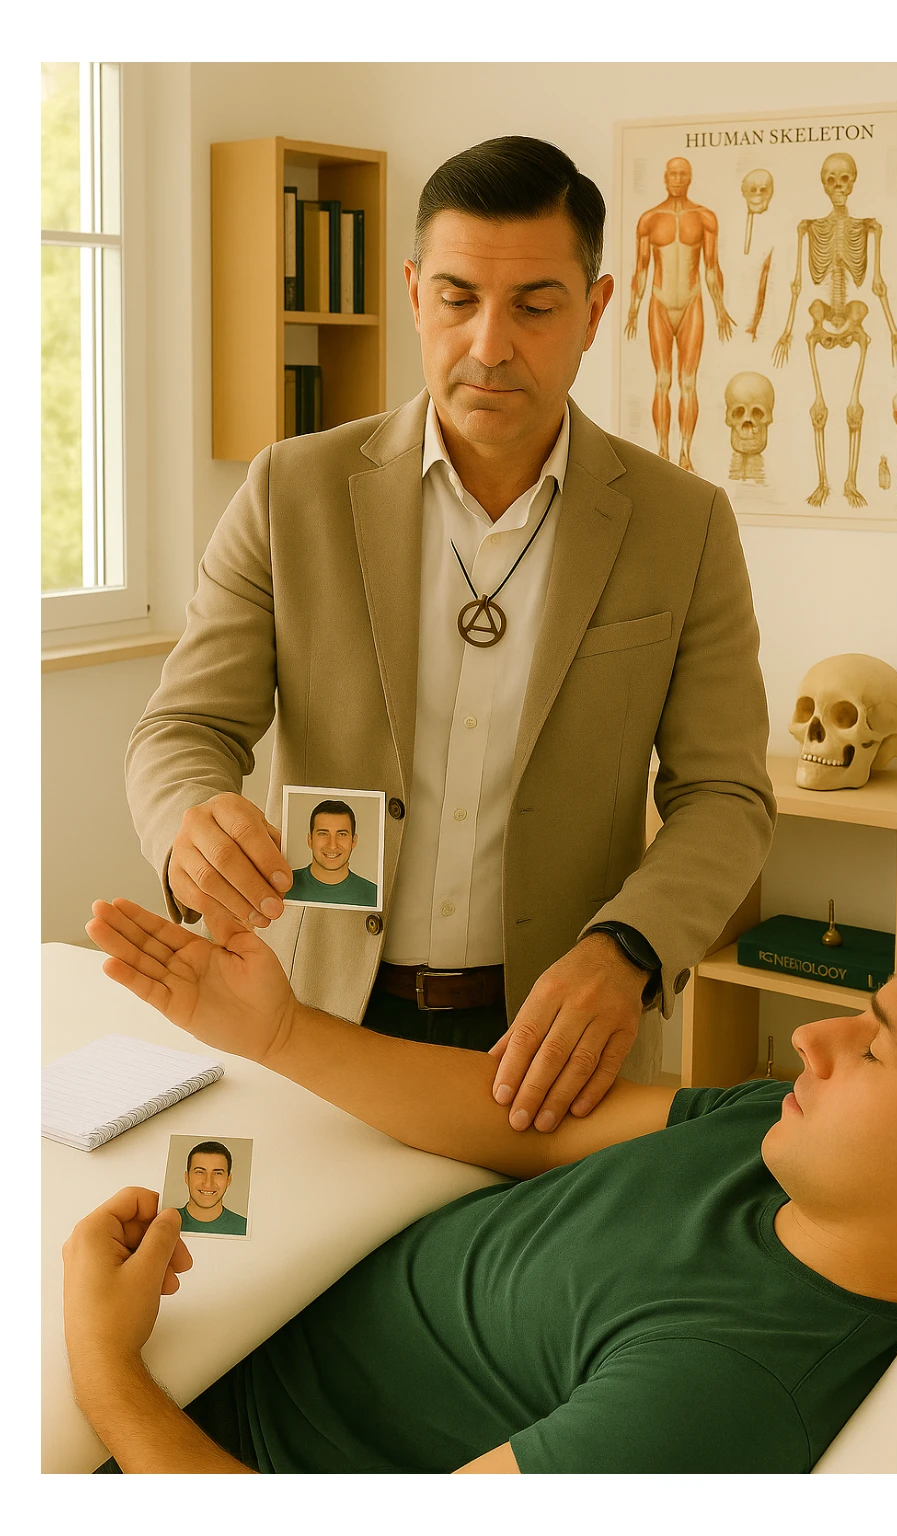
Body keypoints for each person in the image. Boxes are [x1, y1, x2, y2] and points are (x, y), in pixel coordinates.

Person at [125, 135, 775, 1134]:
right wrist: (189, 825)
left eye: (535, 307)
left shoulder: (682, 524)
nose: (489, 345)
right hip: (311, 1017)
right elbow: (183, 729)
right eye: (458, 299)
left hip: (555, 1038)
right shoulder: (290, 491)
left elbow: (725, 795)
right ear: (415, 294)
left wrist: (629, 951)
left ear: (597, 310)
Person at [71, 899, 897, 1474]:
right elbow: (523, 1121)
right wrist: (276, 1031)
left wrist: (105, 1369)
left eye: (874, 1047)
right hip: (255, 1307)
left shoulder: (721, 1395)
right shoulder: (774, 1133)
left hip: (186, 1432)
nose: (811, 1040)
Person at [624, 156, 734, 470]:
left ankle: (685, 455)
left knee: (688, 381)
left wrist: (720, 308)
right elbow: (641, 269)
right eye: (672, 173)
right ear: (665, 177)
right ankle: (662, 453)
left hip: (691, 301)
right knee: (662, 380)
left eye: (682, 174)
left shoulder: (704, 218)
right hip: (659, 302)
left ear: (689, 178)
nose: (676, 179)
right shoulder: (649, 219)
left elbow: (711, 267)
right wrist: (633, 308)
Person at [287, 800, 379, 908]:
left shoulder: (374, 896)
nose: (332, 846)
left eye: (342, 834)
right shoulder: (284, 886)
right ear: (310, 840)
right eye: (323, 833)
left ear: (353, 841)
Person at [176, 1141, 247, 1236]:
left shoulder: (245, 1228)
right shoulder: (165, 1223)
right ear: (187, 1177)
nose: (208, 1183)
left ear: (228, 1179)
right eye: (200, 1172)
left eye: (217, 1173)